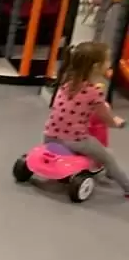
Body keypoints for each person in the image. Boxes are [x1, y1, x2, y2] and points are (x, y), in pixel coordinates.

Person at [44, 41, 129, 196]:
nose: (110, 63)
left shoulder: (66, 83)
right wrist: (116, 122)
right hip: (75, 140)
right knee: (108, 156)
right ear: (96, 67)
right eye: (107, 60)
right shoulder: (94, 92)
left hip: (49, 136)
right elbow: (105, 117)